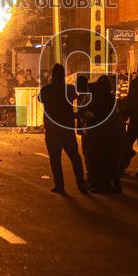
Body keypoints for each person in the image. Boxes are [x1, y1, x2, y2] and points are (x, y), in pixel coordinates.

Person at [38, 63, 87, 194]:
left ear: (52, 76)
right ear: (63, 75)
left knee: (55, 159)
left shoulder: (46, 90)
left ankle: (59, 185)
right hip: (67, 127)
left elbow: (40, 99)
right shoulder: (69, 89)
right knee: (75, 157)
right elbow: (75, 95)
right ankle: (81, 182)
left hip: (52, 129)